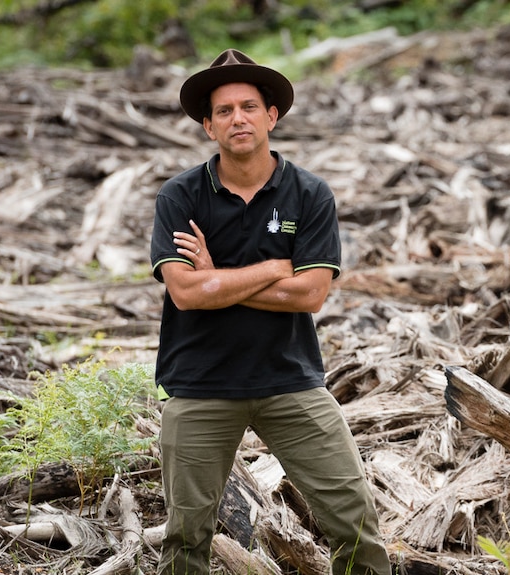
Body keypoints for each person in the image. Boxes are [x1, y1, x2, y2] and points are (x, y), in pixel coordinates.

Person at [149, 49, 392, 575]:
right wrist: (274, 267)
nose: (239, 118)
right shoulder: (180, 196)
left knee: (356, 523)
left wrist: (218, 276)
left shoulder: (309, 194)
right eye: (225, 111)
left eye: (250, 106)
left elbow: (310, 296)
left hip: (291, 380)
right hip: (199, 385)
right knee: (187, 535)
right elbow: (185, 294)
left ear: (271, 116)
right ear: (208, 126)